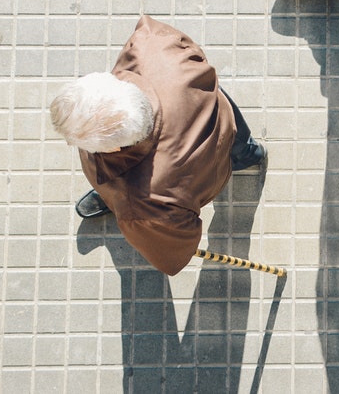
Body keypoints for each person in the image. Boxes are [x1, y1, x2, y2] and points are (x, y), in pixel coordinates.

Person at [49, 14, 266, 276]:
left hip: (197, 178)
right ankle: (250, 154)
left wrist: (127, 206)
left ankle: (112, 194)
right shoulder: (149, 45)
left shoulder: (143, 203)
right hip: (214, 110)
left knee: (121, 192)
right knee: (240, 144)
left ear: (115, 150)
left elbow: (173, 252)